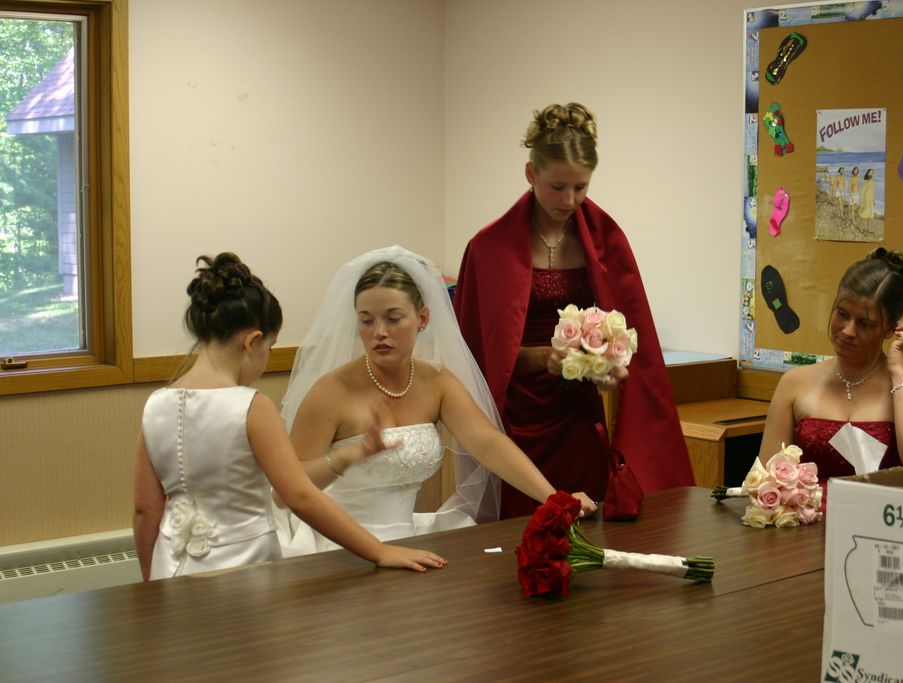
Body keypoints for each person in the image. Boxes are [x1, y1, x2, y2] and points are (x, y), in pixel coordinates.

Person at [133, 253, 446, 580]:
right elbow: (299, 496)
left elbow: (145, 511)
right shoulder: (252, 406)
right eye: (270, 348)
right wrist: (379, 551)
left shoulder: (156, 405)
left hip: (169, 566)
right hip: (244, 568)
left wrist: (149, 581)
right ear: (253, 342)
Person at [454, 102, 694, 519]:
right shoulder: (487, 248)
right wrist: (546, 359)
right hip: (516, 420)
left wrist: (610, 365)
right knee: (520, 527)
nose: (569, 200)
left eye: (580, 187)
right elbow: (478, 353)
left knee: (587, 519)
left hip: (577, 416)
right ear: (531, 175)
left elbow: (631, 329)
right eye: (557, 187)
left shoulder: (605, 239)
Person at [276, 246, 597, 556]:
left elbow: (487, 444)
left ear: (423, 319)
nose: (379, 333)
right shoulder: (331, 391)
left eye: (393, 318)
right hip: (337, 546)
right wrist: (347, 456)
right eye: (367, 320)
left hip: (409, 541)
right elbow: (284, 491)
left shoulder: (436, 381)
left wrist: (553, 498)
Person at [757, 248, 903, 480]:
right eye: (842, 314)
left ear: (891, 329)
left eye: (865, 324)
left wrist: (899, 372)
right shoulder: (795, 381)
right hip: (807, 515)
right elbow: (766, 480)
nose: (848, 331)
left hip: (884, 514)